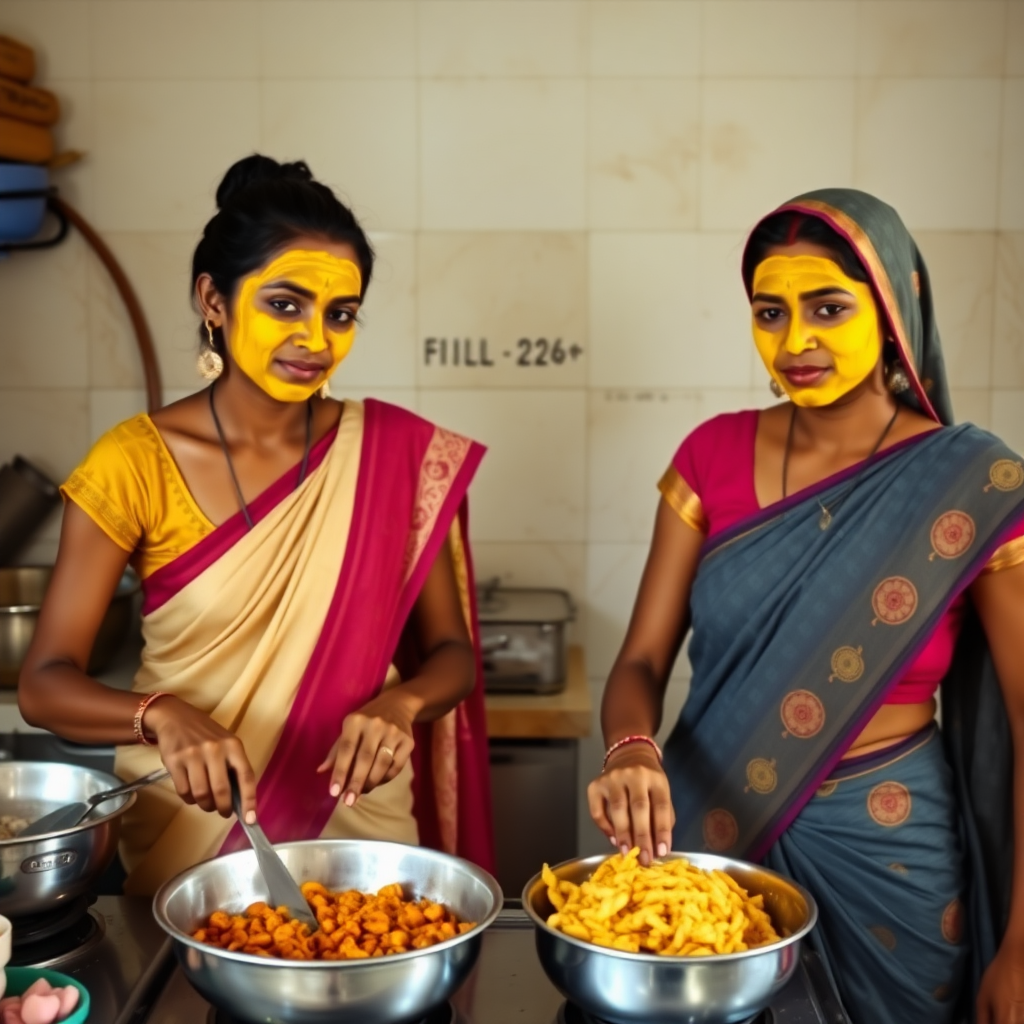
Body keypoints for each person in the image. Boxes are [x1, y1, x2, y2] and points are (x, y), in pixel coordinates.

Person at [587, 188, 1024, 1024]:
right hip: (707, 842)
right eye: (770, 313)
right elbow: (641, 661)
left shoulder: (974, 482)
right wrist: (630, 749)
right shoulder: (709, 455)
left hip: (890, 851)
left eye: (828, 307)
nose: (797, 342)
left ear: (896, 304)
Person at [18, 155, 494, 894]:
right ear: (213, 298)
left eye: (339, 314)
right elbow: (45, 685)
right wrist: (162, 715)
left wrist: (400, 705)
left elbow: (452, 658)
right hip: (193, 827)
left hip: (360, 826)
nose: (315, 337)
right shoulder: (134, 461)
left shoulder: (393, 453)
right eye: (284, 304)